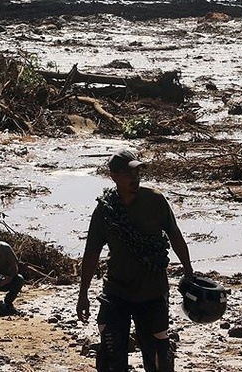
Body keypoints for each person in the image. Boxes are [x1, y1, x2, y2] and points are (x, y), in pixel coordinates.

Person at [77, 147, 194, 372]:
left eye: (137, 173)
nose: (135, 178)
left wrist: (188, 270)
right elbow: (91, 252)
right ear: (114, 177)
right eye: (128, 174)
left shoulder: (155, 200)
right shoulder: (105, 210)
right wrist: (83, 294)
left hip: (152, 291)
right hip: (116, 291)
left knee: (159, 357)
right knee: (110, 354)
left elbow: (175, 235)